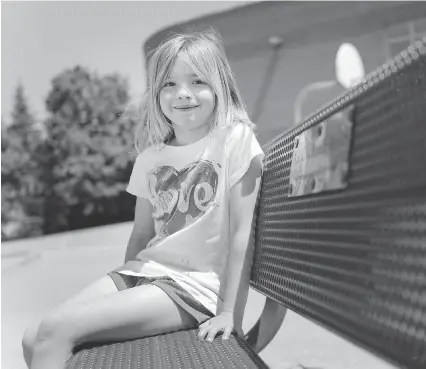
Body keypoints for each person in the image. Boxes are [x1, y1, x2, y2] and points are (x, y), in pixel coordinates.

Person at [22, 27, 264, 369]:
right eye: (169, 83)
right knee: (34, 336)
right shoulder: (151, 158)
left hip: (192, 288)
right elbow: (140, 235)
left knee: (55, 331)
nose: (183, 93)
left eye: (197, 81)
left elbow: (243, 234)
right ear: (156, 94)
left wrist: (230, 313)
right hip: (143, 274)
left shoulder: (233, 140)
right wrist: (125, 290)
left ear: (220, 85)